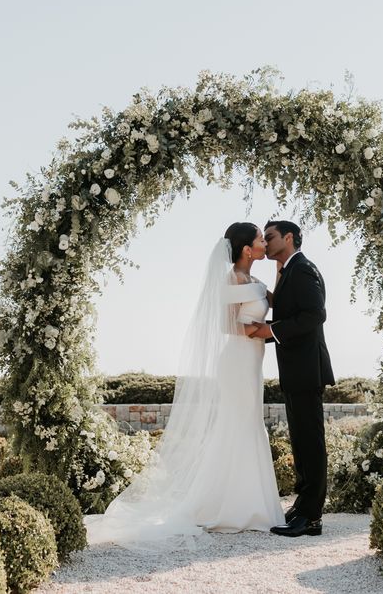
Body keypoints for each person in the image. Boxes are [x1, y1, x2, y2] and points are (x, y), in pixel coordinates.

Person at [84, 223, 284, 547]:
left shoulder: (256, 281)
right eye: (261, 239)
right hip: (236, 361)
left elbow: (280, 303)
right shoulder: (230, 278)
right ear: (247, 249)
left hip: (252, 362)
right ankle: (230, 508)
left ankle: (250, 505)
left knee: (247, 423)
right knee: (239, 423)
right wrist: (269, 331)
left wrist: (279, 273)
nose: (265, 242)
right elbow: (229, 324)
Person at [250, 220, 335, 537]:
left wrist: (268, 330)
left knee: (311, 443)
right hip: (294, 370)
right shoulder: (288, 271)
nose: (266, 243)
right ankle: (302, 505)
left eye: (270, 237)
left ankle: (312, 518)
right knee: (300, 440)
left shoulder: (303, 269)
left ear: (289, 238)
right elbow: (291, 315)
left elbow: (314, 315)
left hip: (307, 370)